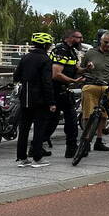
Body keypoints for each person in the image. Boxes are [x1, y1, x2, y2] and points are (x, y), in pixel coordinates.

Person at [13, 32, 56, 167]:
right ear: (45, 45)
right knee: (39, 128)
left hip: (25, 98)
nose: (49, 47)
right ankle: (37, 158)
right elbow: (47, 83)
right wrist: (51, 102)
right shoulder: (45, 60)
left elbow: (16, 76)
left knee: (24, 129)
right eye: (49, 45)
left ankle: (22, 158)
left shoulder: (25, 57)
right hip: (40, 99)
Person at [46, 30, 89, 160]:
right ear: (70, 38)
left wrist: (86, 69)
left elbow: (75, 69)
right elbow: (56, 74)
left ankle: (36, 146)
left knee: (56, 120)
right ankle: (70, 148)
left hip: (63, 90)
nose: (81, 40)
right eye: (79, 38)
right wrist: (74, 81)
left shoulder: (71, 51)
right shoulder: (61, 51)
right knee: (67, 119)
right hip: (57, 89)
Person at [81, 32, 109, 151]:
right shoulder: (90, 53)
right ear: (100, 41)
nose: (107, 44)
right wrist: (86, 69)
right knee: (88, 115)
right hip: (91, 86)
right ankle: (85, 141)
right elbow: (80, 70)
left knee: (104, 116)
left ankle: (99, 141)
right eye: (105, 42)